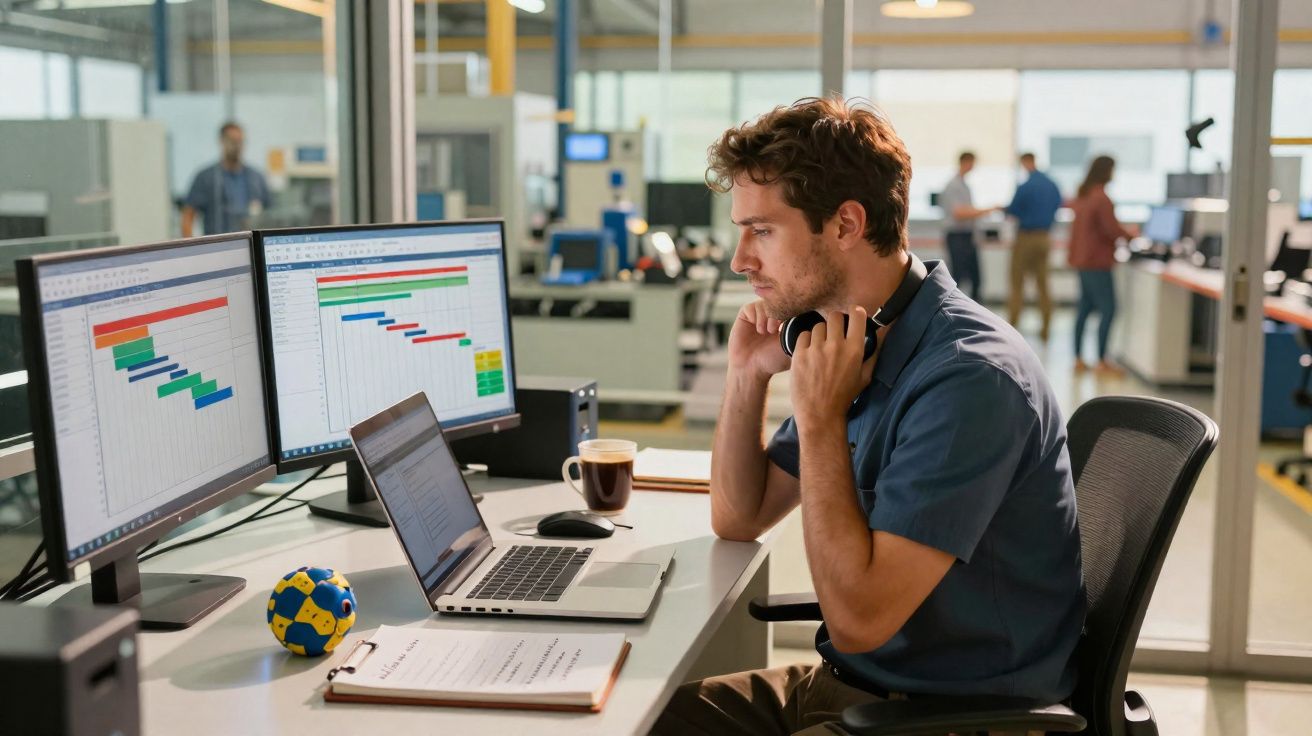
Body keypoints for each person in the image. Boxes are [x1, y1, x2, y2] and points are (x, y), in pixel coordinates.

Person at [653, 97, 1085, 735]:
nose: (740, 259)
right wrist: (745, 374)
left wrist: (821, 418)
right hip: (857, 689)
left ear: (847, 224)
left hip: (952, 719)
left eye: (763, 231)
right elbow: (740, 516)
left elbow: (858, 622)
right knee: (632, 723)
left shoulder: (969, 378)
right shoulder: (855, 337)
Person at [1068, 155, 1135, 375]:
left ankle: (1078, 358)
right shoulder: (1101, 198)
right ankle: (1102, 361)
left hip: (1081, 260)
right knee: (1109, 308)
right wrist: (1131, 234)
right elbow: (1112, 230)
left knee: (1085, 309)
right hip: (1097, 262)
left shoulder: (1083, 196)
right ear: (1107, 171)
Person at [1004, 152, 1064, 341]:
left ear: (1025, 162)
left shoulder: (1025, 186)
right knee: (1043, 283)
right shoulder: (1052, 184)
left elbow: (1013, 210)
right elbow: (1058, 205)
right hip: (1045, 238)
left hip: (1025, 238)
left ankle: (1012, 327)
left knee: (1017, 282)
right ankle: (1046, 329)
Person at [182, 122, 271, 237]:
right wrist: (192, 250)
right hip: (216, 248)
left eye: (240, 142)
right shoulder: (205, 178)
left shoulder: (256, 178)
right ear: (221, 141)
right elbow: (188, 216)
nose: (237, 146)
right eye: (232, 141)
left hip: (251, 248)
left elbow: (270, 215)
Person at [938, 151, 995, 302]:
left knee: (975, 277)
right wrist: (987, 210)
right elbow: (959, 213)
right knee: (958, 276)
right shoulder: (953, 185)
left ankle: (976, 309)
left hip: (967, 236)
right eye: (972, 163)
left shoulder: (964, 185)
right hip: (957, 236)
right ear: (965, 162)